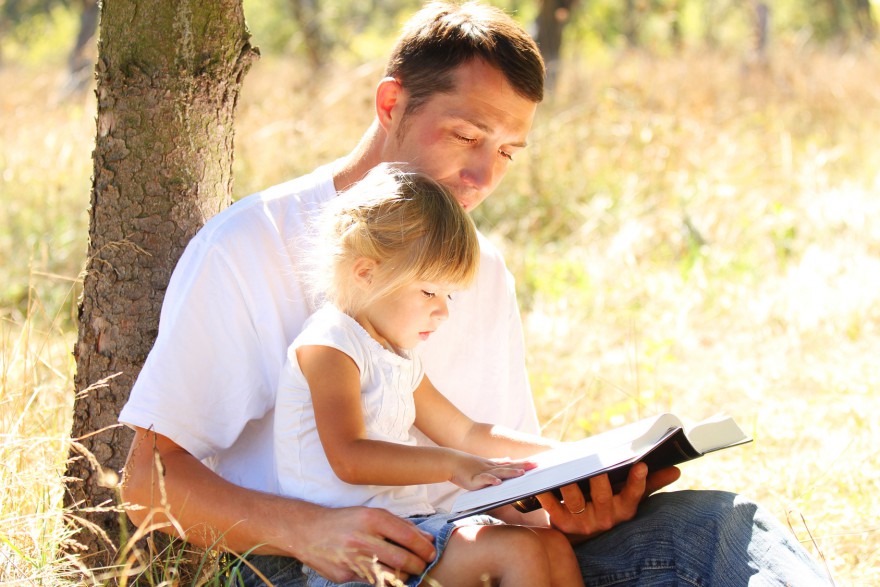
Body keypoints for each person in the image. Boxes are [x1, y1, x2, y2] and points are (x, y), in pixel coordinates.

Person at [119, 2, 832, 586]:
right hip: (329, 564)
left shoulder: (477, 267)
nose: (484, 176)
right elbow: (148, 484)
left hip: (473, 551)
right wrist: (306, 529)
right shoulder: (253, 244)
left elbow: (488, 464)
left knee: (719, 529)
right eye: (466, 135)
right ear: (392, 102)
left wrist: (584, 485)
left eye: (508, 152)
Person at [276, 163, 583, 586]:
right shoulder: (331, 344)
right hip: (354, 558)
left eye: (448, 294)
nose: (443, 310)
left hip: (412, 531)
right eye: (428, 292)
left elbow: (466, 432)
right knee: (519, 549)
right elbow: (349, 456)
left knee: (551, 545)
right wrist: (452, 466)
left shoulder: (396, 356)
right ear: (366, 274)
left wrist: (564, 456)